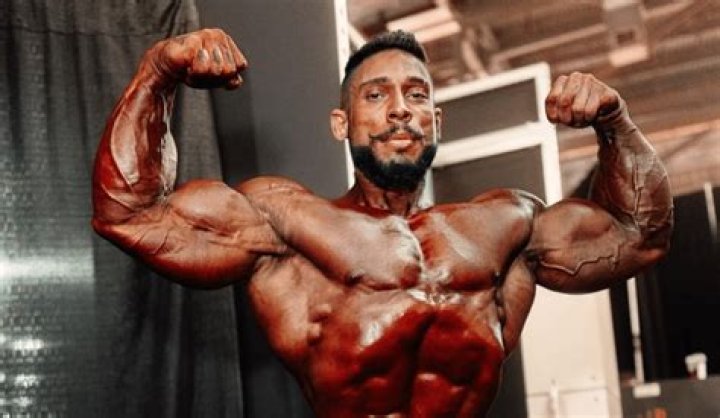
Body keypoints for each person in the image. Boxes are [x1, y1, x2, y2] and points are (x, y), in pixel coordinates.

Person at [92, 28, 673, 417]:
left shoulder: (506, 225)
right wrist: (157, 73)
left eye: (416, 95)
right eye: (376, 95)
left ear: (436, 121)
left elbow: (640, 237)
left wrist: (615, 123)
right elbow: (129, 214)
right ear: (341, 123)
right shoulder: (286, 225)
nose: (400, 109)